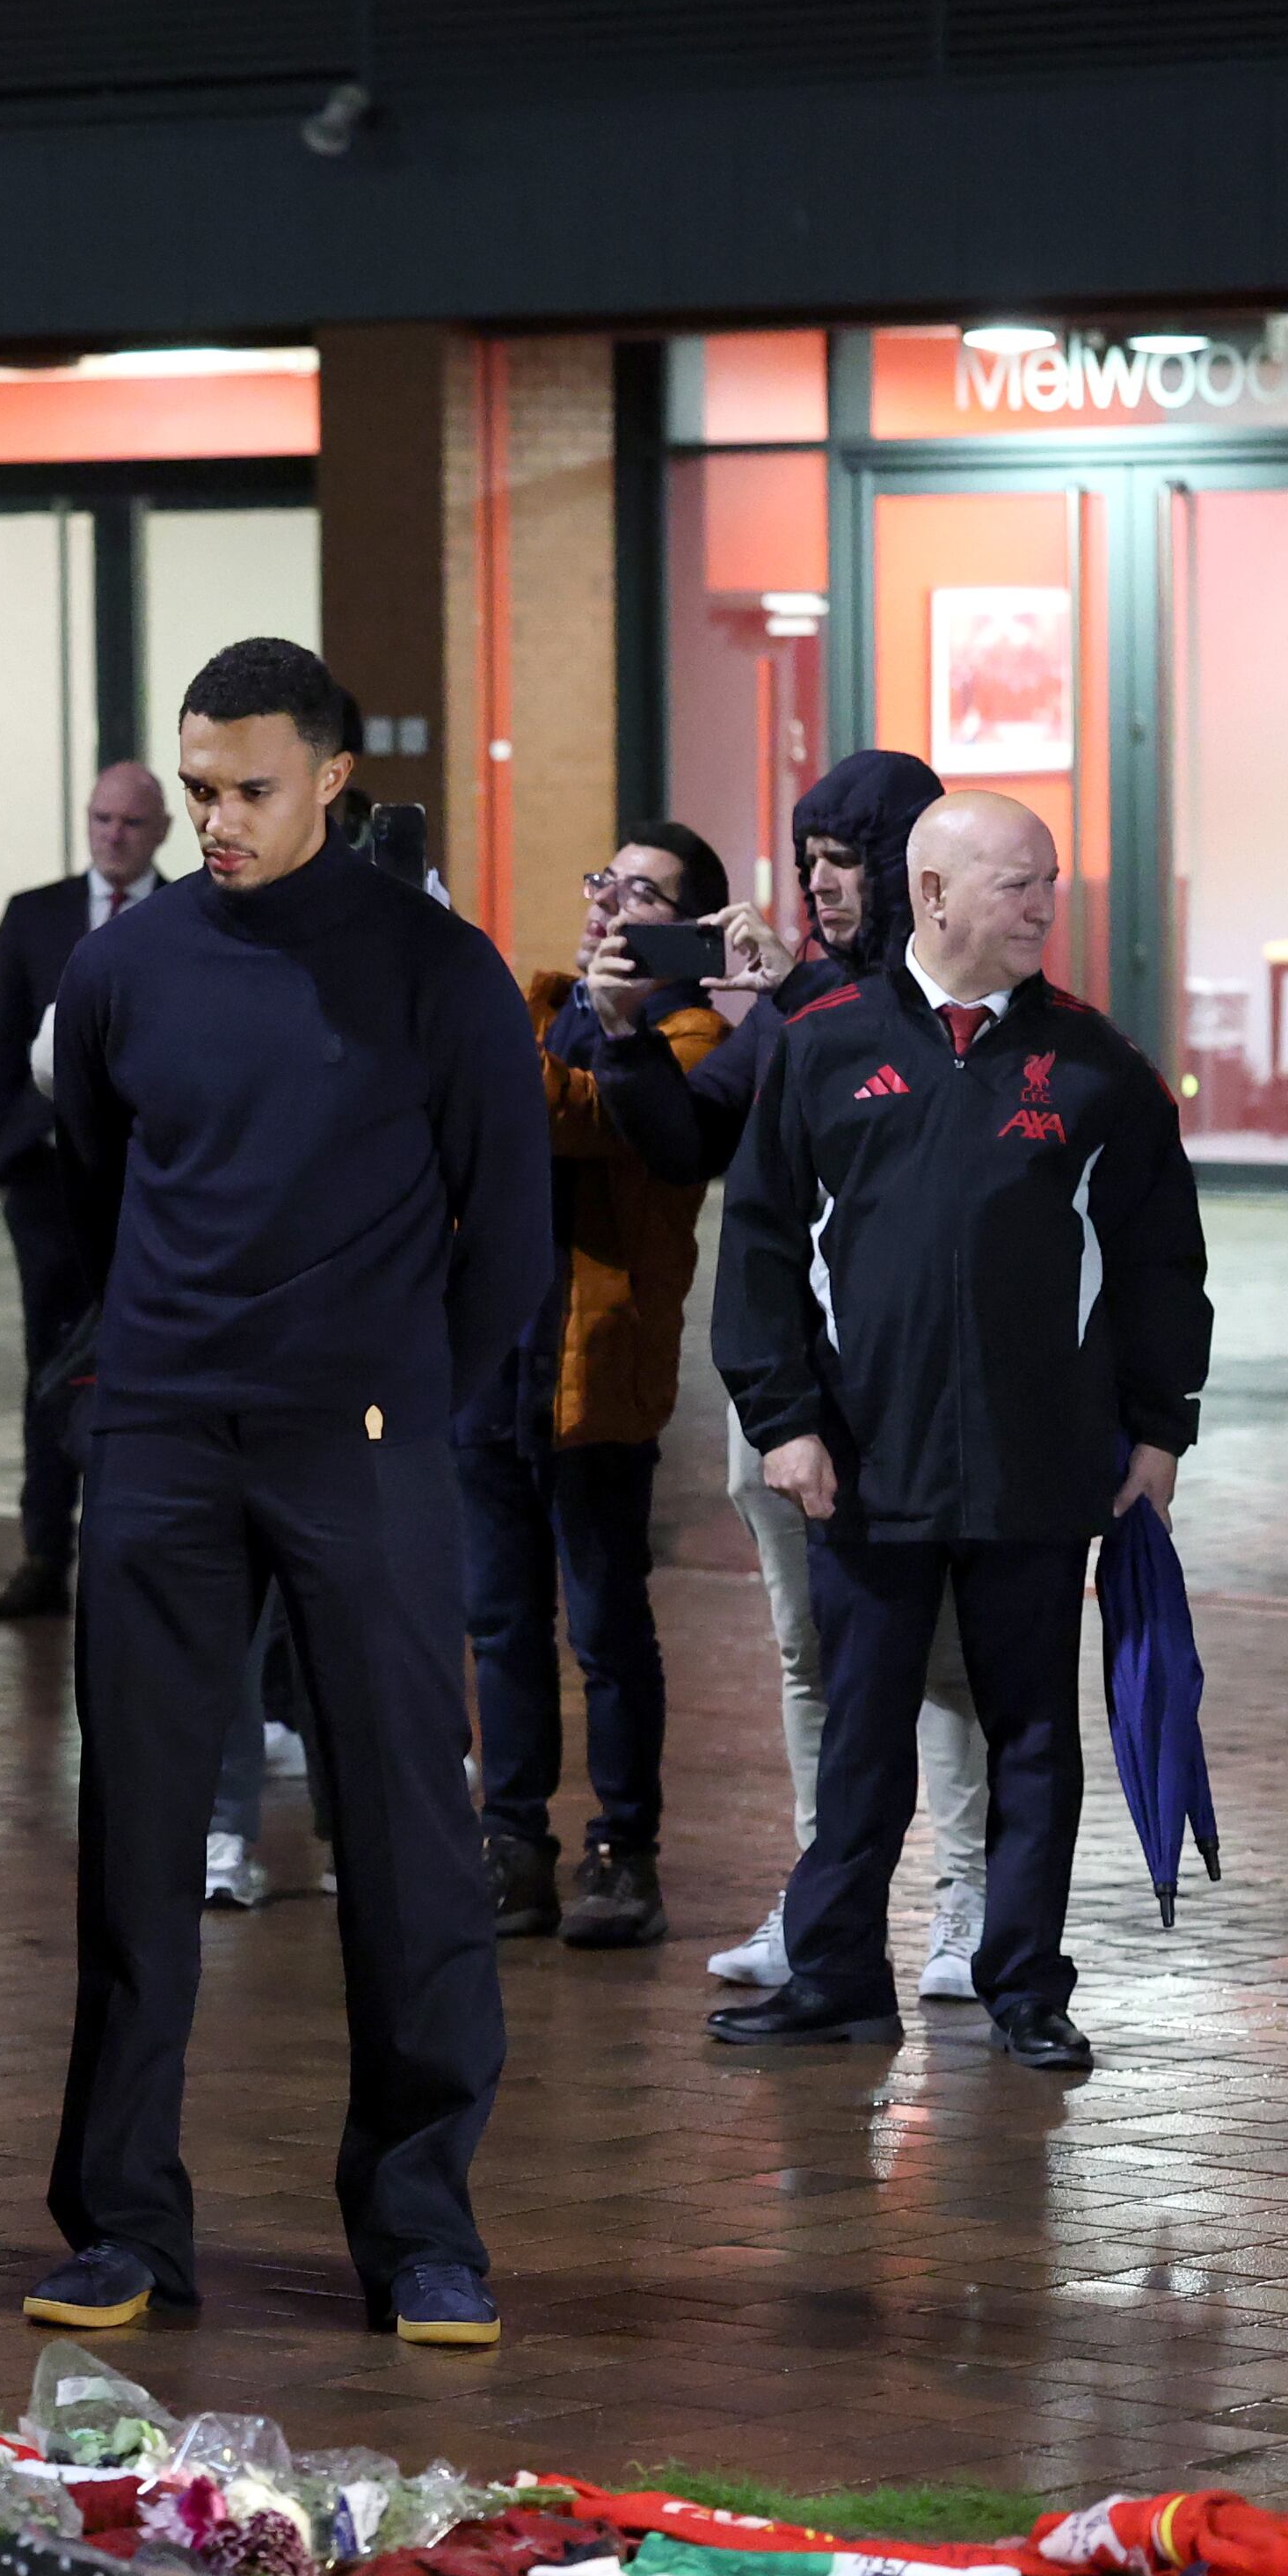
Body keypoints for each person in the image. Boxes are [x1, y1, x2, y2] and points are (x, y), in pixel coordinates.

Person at [33, 637, 551, 2345]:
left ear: (331, 776)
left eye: (249, 789)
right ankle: (120, 2225)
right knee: (134, 1837)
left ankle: (421, 2231)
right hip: (169, 1442)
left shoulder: (437, 971)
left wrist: (405, 1397)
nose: (217, 820)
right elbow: (100, 1185)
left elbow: (511, 1244)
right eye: (197, 791)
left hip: (366, 1448)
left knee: (405, 1831)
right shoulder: (131, 972)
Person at [709, 792, 1210, 2074]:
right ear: (933, 895)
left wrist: (1159, 1431)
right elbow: (760, 1249)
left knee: (1033, 1731)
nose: (1045, 903)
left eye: (1050, 880)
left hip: (1042, 1465)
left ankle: (1025, 1984)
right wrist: (785, 1422)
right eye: (1017, 883)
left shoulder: (1099, 1067)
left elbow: (1163, 1263)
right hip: (865, 1465)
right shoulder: (822, 1046)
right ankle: (834, 1974)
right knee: (861, 1733)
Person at [593, 750, 993, 1998]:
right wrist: (624, 1040)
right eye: (807, 858)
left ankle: (967, 1906)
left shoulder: (958, 991)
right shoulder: (791, 1009)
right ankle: (829, 1901)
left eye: (845, 860)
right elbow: (687, 1142)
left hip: (926, 1387)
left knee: (945, 1658)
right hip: (788, 1388)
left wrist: (806, 983)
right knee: (808, 1650)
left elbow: (941, 1115)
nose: (821, 884)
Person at [468, 824, 736, 1953]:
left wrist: (452, 1015)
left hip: (598, 1376)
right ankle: (509, 1847)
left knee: (607, 1628)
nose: (606, 904)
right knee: (495, 1621)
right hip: (489, 1363)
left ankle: (625, 1856)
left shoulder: (690, 1039)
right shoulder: (532, 1009)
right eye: (601, 882)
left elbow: (568, 1115)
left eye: (640, 894)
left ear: (680, 933)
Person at [0, 762, 172, 1622]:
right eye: (99, 818)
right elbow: (4, 1039)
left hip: (147, 1180)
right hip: (46, 1176)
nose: (112, 834)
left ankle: (133, 1551)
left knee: (143, 1364)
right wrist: (0, 1153)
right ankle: (43, 1551)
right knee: (50, 1363)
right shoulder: (35, 915)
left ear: (158, 831)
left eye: (130, 823)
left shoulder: (186, 914)